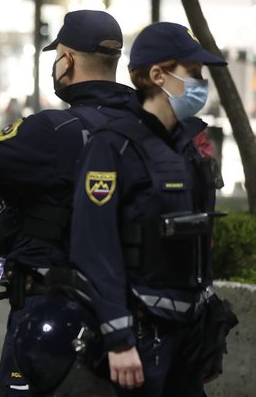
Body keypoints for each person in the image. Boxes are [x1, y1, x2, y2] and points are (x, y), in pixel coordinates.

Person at [0, 10, 134, 396]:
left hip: (57, 312)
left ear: (66, 60)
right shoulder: (147, 127)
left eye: (57, 57)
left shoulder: (55, 130)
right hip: (136, 313)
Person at [70, 22, 237, 396]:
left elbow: (198, 240)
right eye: (192, 73)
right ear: (157, 75)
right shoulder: (113, 146)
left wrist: (209, 333)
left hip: (189, 337)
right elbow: (94, 247)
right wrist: (119, 337)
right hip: (142, 338)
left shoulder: (188, 148)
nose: (200, 83)